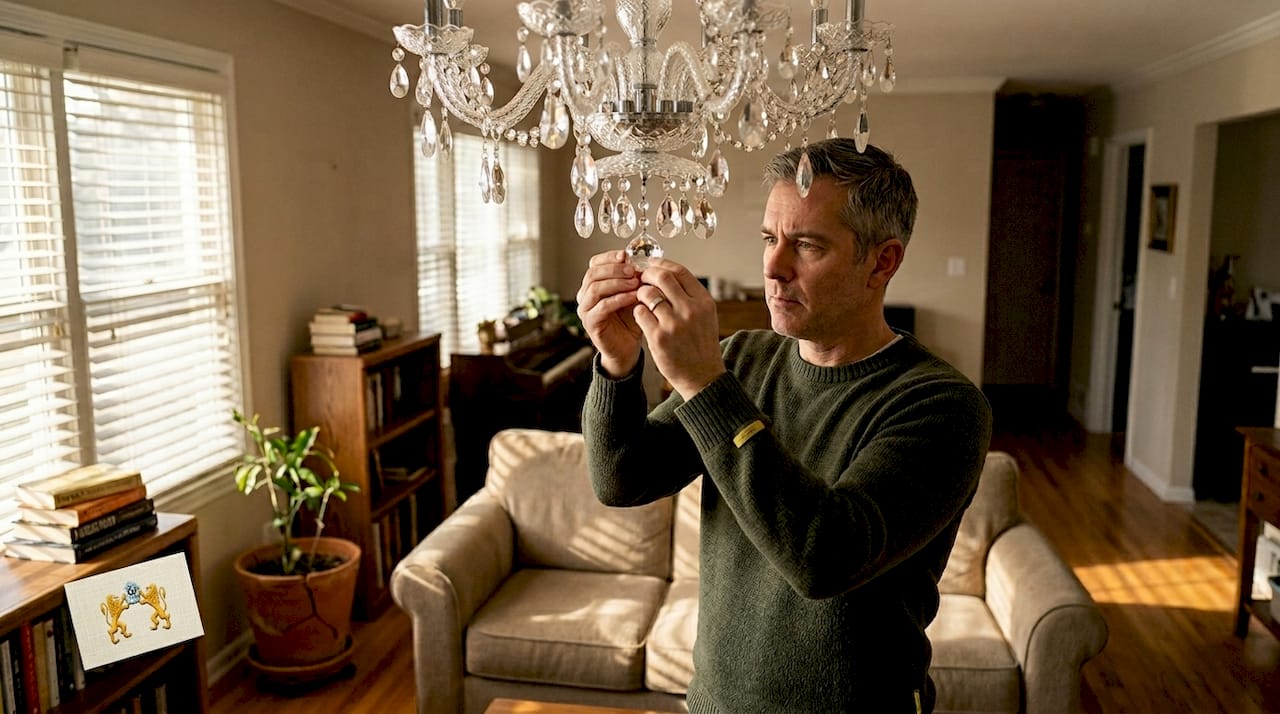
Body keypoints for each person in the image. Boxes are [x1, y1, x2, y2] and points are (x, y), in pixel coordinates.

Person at [575, 139, 992, 714]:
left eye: (808, 245)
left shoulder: (943, 405)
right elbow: (621, 479)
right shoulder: (742, 359)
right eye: (770, 239)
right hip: (713, 705)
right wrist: (617, 364)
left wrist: (704, 384)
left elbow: (824, 558)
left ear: (882, 262)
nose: (773, 268)